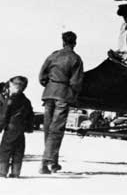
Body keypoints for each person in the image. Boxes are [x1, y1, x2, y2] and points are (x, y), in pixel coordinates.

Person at [39, 31, 83, 174]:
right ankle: (45, 162)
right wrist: (74, 96)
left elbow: (42, 76)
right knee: (56, 130)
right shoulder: (76, 59)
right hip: (63, 95)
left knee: (48, 128)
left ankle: (53, 163)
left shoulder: (53, 56)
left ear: (63, 42)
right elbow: (76, 83)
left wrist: (50, 84)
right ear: (75, 43)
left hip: (49, 93)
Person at [0, 76, 34, 178]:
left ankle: (3, 172)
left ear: (15, 87)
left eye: (10, 86)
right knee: (18, 151)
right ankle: (16, 172)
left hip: (10, 129)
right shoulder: (27, 101)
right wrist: (29, 128)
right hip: (21, 131)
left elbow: (3, 116)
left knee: (5, 150)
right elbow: (31, 116)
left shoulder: (9, 101)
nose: (8, 88)